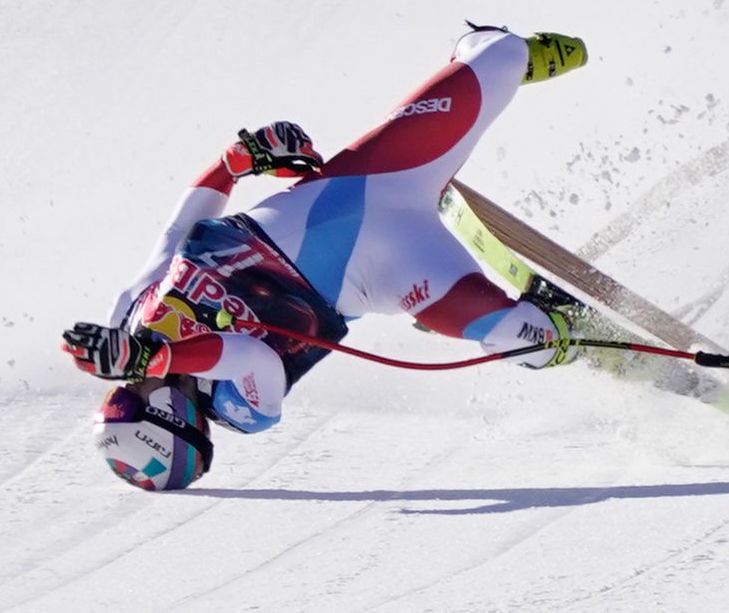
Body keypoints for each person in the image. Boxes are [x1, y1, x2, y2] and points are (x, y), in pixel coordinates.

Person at [62, 25, 589, 491]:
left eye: (115, 399)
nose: (121, 390)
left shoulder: (127, 322)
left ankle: (484, 55)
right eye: (127, 405)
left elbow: (177, 233)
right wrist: (155, 359)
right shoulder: (242, 409)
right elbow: (252, 357)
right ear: (169, 421)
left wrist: (232, 164)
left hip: (357, 185)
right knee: (529, 335)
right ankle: (559, 340)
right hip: (390, 269)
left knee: (501, 53)